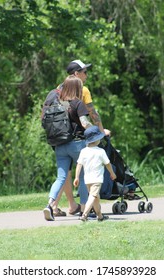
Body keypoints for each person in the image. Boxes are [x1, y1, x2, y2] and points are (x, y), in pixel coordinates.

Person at [52, 59, 111, 217]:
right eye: (85, 72)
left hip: (60, 137)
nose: (87, 75)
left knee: (64, 173)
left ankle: (59, 205)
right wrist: (100, 131)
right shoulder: (82, 90)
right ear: (76, 74)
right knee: (85, 170)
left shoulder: (59, 90)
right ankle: (85, 206)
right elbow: (93, 113)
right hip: (77, 138)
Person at [43, 76, 93, 221]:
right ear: (77, 88)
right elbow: (85, 123)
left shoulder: (56, 103)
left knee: (61, 177)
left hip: (60, 145)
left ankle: (50, 204)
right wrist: (96, 130)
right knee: (83, 177)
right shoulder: (77, 103)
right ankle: (84, 210)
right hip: (78, 145)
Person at [74, 125, 116, 222]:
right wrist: (112, 173)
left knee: (96, 197)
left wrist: (76, 177)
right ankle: (84, 214)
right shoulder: (101, 151)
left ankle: (100, 216)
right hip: (97, 179)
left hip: (87, 179)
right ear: (97, 140)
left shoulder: (83, 151)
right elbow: (108, 164)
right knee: (93, 196)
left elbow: (79, 165)